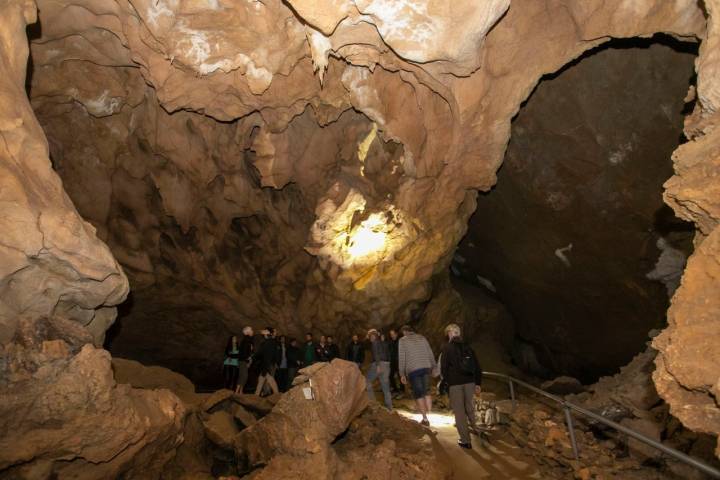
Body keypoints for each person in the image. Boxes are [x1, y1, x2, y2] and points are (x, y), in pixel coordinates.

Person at [440, 323, 482, 449]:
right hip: (470, 382)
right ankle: (476, 429)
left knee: (459, 412)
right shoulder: (468, 347)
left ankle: (465, 441)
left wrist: (447, 383)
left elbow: (444, 369)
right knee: (470, 407)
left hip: (455, 384)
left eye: (449, 333)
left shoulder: (447, 348)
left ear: (450, 333)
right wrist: (478, 383)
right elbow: (477, 366)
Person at [398, 324, 437, 426]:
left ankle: (425, 419)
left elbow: (402, 357)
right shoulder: (422, 338)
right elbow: (430, 352)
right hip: (425, 367)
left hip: (413, 369)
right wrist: (434, 366)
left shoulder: (402, 340)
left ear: (404, 332)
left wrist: (402, 373)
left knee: (419, 393)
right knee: (426, 391)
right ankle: (429, 412)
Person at [366, 329, 393, 411]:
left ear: (374, 336)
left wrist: (378, 365)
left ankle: (373, 403)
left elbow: (376, 354)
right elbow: (389, 354)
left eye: (371, 336)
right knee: (385, 387)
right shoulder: (384, 343)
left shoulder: (375, 342)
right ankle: (390, 407)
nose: (370, 338)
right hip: (387, 365)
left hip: (379, 364)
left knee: (367, 381)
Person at [254, 329, 280, 396]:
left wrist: (253, 356)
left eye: (264, 333)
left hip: (266, 364)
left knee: (269, 379)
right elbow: (276, 354)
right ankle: (256, 395)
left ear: (266, 334)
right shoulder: (273, 342)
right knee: (261, 378)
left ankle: (277, 394)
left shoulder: (265, 343)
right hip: (269, 363)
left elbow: (259, 353)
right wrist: (275, 362)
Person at [237, 326, 254, 393]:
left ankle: (240, 391)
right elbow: (244, 352)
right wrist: (248, 359)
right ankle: (237, 392)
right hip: (242, 361)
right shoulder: (246, 341)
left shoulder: (248, 340)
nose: (253, 331)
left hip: (243, 360)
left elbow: (249, 352)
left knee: (243, 376)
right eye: (251, 330)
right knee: (244, 376)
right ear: (248, 332)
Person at [388, 329, 403, 396]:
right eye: (391, 335)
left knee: (400, 376)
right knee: (390, 376)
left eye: (393, 334)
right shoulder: (390, 342)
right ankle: (395, 389)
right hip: (392, 361)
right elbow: (390, 351)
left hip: (399, 361)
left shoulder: (400, 341)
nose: (392, 336)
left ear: (396, 334)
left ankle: (402, 391)